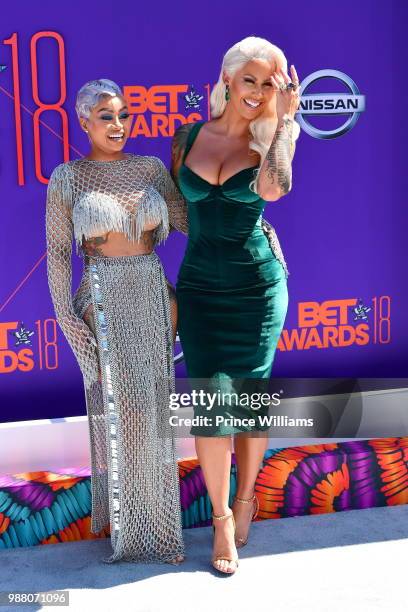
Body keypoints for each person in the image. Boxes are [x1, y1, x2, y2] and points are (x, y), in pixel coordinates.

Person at [171, 37, 301, 574]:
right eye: (249, 79)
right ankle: (221, 519)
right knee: (210, 402)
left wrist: (284, 124)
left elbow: (274, 190)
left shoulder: (273, 136)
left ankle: (245, 498)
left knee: (248, 399)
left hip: (255, 289)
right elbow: (178, 208)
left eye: (268, 82)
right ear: (226, 80)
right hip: (200, 285)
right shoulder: (186, 136)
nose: (258, 91)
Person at [45, 79, 188, 564]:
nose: (117, 125)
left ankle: (159, 524)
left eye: (122, 114)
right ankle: (130, 531)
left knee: (152, 407)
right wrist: (69, 323)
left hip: (151, 293)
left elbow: (192, 220)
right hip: (101, 296)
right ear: (83, 122)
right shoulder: (68, 177)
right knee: (122, 408)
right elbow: (58, 256)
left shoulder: (149, 169)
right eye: (106, 116)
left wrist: (246, 213)